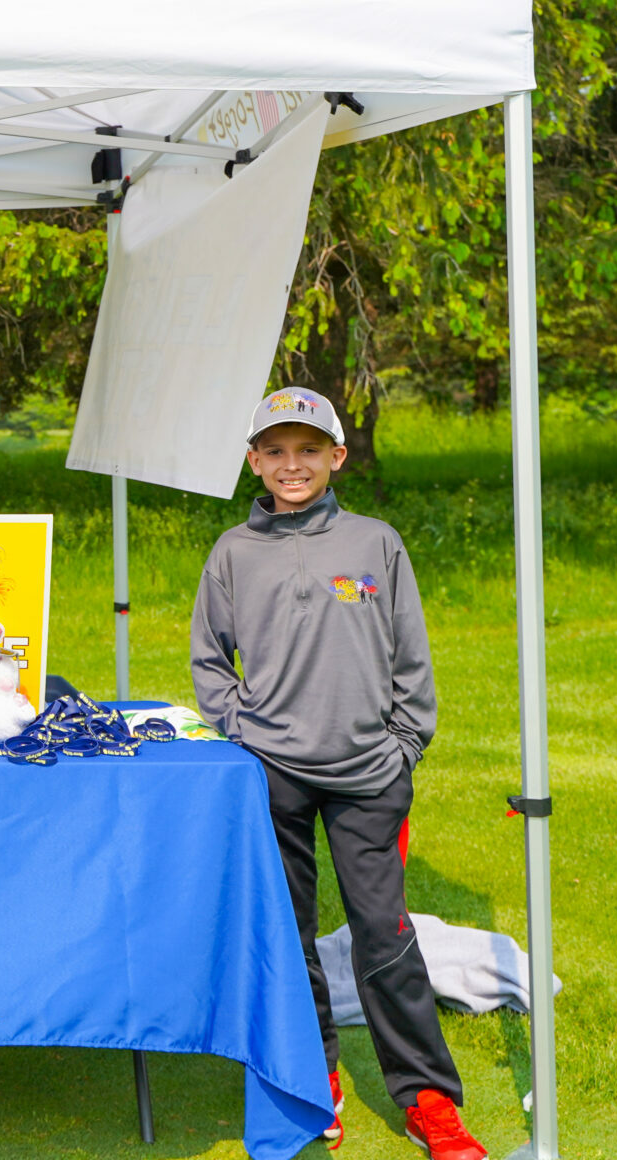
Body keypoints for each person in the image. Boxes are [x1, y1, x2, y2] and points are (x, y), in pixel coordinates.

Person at [190, 389, 486, 1160]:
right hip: (272, 776)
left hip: (367, 772)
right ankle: (311, 1077)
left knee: (383, 938)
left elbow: (409, 660)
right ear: (253, 460)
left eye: (308, 449)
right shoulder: (231, 553)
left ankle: (427, 1100)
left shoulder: (374, 543)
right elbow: (208, 664)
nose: (293, 465)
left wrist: (404, 745)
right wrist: (243, 730)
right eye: (276, 451)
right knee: (286, 939)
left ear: (336, 457)